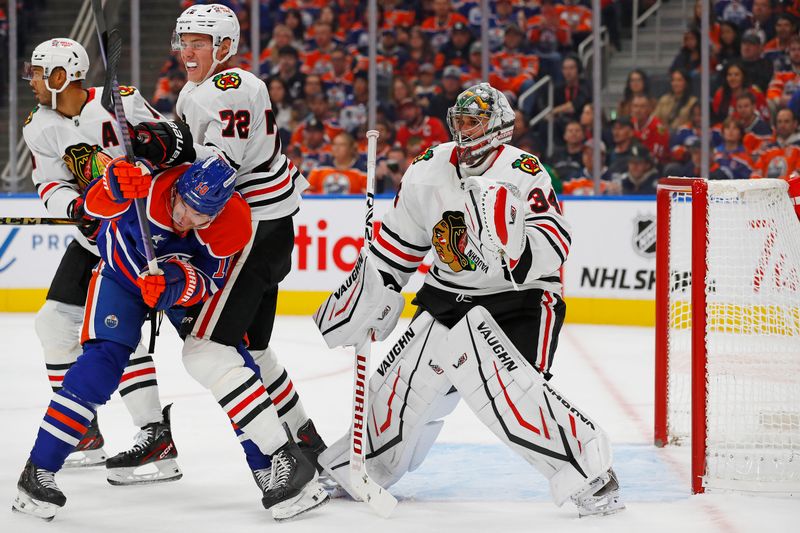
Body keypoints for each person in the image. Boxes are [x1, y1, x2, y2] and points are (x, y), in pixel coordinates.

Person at [314, 82, 625, 518]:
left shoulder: (524, 171)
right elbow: (397, 245)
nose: (463, 130)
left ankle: (591, 472)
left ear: (498, 128)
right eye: (458, 120)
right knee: (402, 383)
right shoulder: (428, 168)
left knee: (503, 388)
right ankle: (359, 466)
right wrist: (374, 291)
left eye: (473, 121)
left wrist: (513, 249)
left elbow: (555, 242)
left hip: (518, 298)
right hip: (446, 295)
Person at [12, 156, 325, 521]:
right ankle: (39, 471)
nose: (187, 219)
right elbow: (92, 208)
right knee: (99, 367)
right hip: (120, 277)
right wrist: (112, 185)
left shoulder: (232, 223)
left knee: (223, 357)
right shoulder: (147, 181)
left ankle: (271, 470)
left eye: (201, 217)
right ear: (177, 189)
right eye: (186, 206)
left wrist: (177, 284)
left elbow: (211, 279)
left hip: (173, 286)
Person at [133, 3, 329, 513]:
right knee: (256, 352)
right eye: (183, 40)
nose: (187, 51)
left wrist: (166, 205)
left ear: (224, 46)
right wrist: (151, 130)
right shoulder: (198, 91)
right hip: (267, 228)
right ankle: (309, 444)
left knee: (205, 349)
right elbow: (191, 150)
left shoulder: (232, 85)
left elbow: (215, 173)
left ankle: (284, 460)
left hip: (251, 230)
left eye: (199, 41)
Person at [21, 37, 182, 480]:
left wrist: (145, 167)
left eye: (36, 72)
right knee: (53, 323)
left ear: (59, 77)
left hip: (138, 237)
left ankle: (155, 436)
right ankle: (84, 431)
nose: (30, 80)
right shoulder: (38, 125)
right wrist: (75, 209)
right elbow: (50, 184)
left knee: (119, 335)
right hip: (94, 238)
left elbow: (174, 154)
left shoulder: (121, 103)